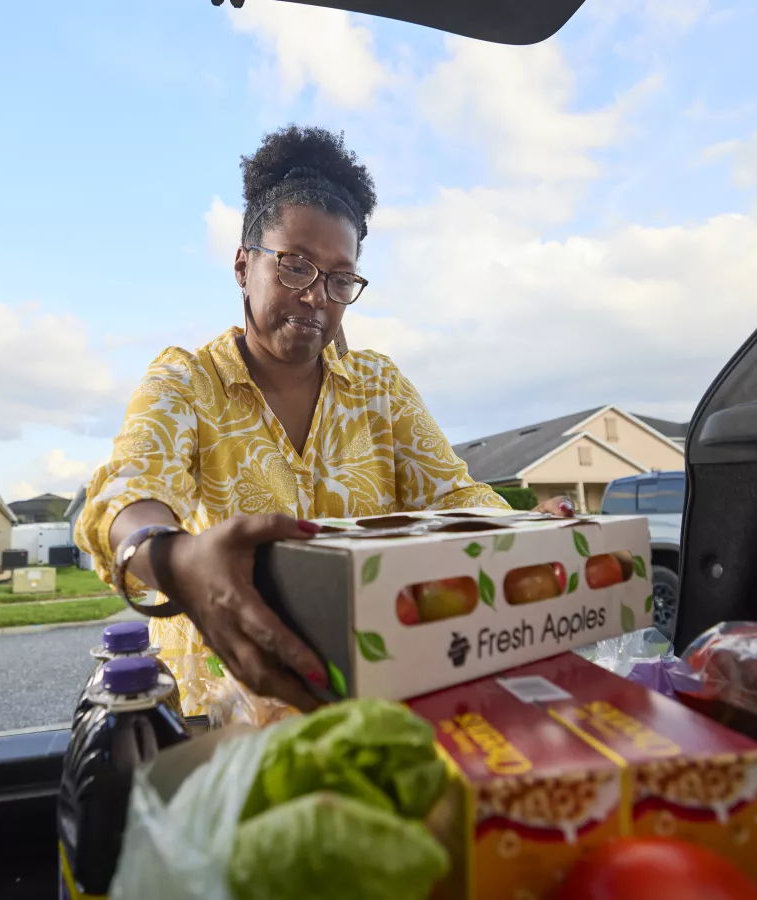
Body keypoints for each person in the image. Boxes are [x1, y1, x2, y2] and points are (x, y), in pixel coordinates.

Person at [75, 125, 574, 717]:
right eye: (295, 266)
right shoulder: (188, 382)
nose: (318, 297)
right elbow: (130, 490)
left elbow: (453, 496)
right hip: (225, 718)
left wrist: (529, 530)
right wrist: (176, 559)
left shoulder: (378, 389)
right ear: (242, 265)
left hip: (371, 705)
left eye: (341, 279)